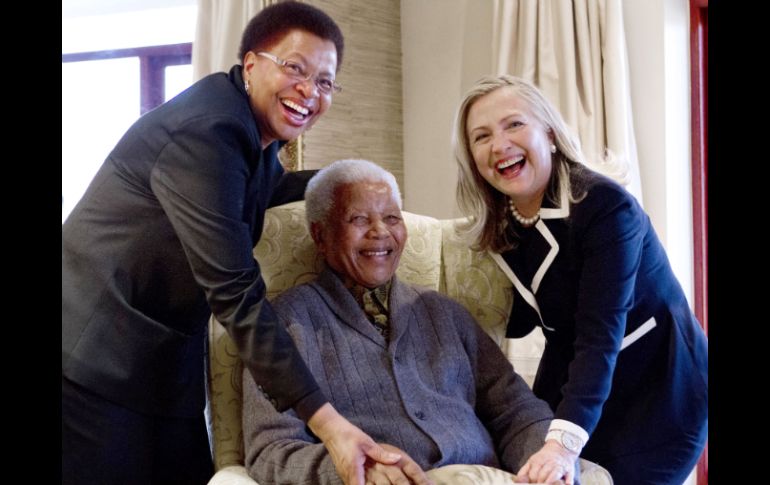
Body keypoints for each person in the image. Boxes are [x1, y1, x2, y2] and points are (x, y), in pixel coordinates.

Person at [61, 3, 425, 485]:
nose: (309, 91)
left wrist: (361, 186)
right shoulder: (207, 131)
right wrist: (330, 425)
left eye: (324, 82)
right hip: (92, 359)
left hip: (165, 365)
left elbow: (269, 189)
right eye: (295, 68)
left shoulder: (250, 137)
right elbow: (236, 294)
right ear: (251, 65)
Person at [241, 158, 577, 485]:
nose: (380, 232)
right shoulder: (283, 325)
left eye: (391, 217)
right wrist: (351, 468)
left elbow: (517, 410)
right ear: (320, 235)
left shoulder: (446, 312)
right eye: (359, 219)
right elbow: (270, 452)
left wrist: (547, 460)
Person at [451, 74, 708, 484]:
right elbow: (525, 311)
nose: (499, 145)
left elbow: (600, 333)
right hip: (574, 376)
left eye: (514, 124)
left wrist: (562, 444)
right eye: (481, 137)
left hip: (658, 391)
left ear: (549, 134)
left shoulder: (606, 206)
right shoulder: (503, 223)